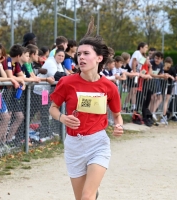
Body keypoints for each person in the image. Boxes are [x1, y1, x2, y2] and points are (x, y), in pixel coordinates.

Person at [49, 31, 123, 199]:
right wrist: (62, 118)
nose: (81, 57)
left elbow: (117, 115)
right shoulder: (67, 82)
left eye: (86, 53)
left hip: (98, 143)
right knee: (81, 197)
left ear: (99, 58)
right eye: (79, 54)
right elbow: (53, 108)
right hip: (74, 145)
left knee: (87, 197)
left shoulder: (109, 87)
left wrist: (119, 126)